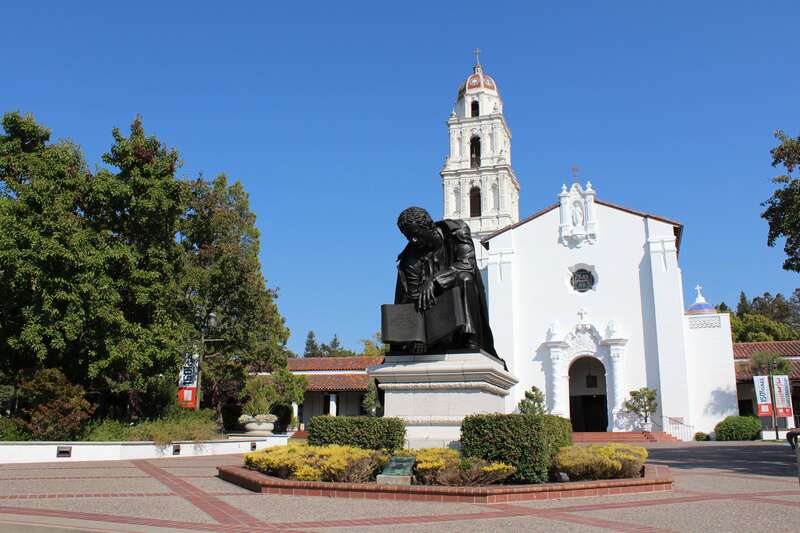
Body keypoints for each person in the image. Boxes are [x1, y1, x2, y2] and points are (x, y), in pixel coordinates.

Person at [394, 207, 501, 363]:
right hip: (430, 314)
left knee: (465, 278)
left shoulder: (456, 231)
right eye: (408, 236)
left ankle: (468, 338)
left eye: (416, 234)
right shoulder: (410, 259)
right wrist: (416, 337)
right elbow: (412, 297)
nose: (413, 240)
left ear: (429, 226)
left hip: (459, 301)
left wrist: (434, 280)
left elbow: (467, 264)